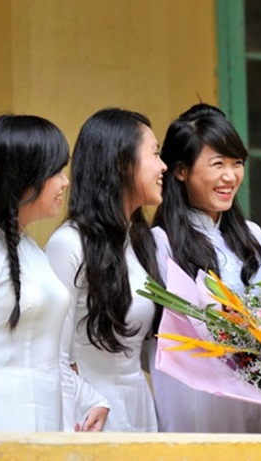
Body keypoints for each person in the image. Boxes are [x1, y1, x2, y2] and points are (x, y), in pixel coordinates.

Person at [0, 115, 108, 431]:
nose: (65, 182)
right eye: (55, 171)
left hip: (45, 429)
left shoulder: (31, 250)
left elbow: (47, 357)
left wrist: (90, 399)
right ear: (22, 176)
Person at [145, 103, 261, 432]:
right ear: (180, 171)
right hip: (192, 399)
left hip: (253, 393)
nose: (230, 176)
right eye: (217, 164)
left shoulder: (252, 236)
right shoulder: (159, 242)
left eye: (237, 163)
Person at [45, 108, 166, 432]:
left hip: (139, 404)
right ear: (122, 164)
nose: (163, 166)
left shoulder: (141, 242)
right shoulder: (68, 245)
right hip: (92, 415)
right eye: (154, 154)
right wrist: (81, 404)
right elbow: (52, 352)